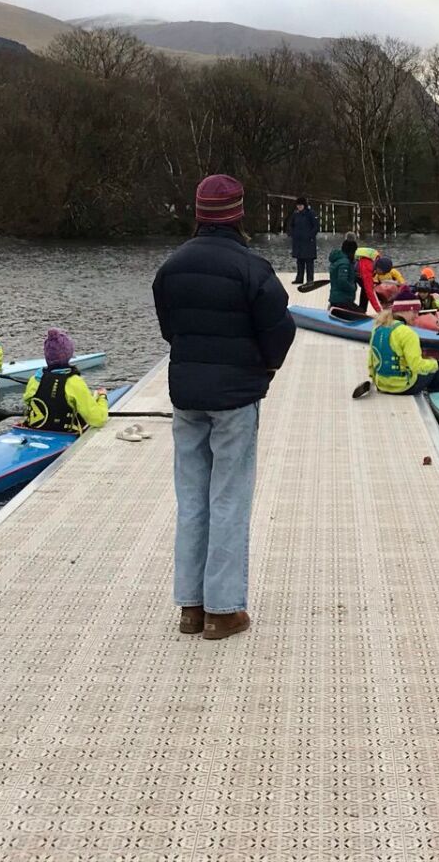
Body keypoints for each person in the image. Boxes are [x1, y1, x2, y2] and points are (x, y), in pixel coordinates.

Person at [152, 173, 295, 642]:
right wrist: (265, 369)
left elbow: (170, 330)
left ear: (198, 213)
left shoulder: (171, 267)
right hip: (235, 398)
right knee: (228, 499)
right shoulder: (253, 268)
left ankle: (190, 608)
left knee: (192, 499)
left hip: (187, 395)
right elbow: (280, 329)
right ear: (237, 215)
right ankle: (223, 611)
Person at [21, 328, 109, 433]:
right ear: (69, 354)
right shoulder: (74, 382)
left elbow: (27, 401)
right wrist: (102, 398)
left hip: (35, 431)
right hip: (64, 436)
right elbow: (98, 420)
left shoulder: (34, 379)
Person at [361, 302, 439, 397]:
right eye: (414, 312)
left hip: (381, 385)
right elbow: (416, 366)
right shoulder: (408, 333)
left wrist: (374, 379)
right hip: (403, 387)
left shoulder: (377, 328)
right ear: (405, 310)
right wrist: (435, 363)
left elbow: (372, 359)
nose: (417, 316)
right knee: (435, 370)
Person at [288, 196, 320, 286]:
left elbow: (316, 226)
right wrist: (292, 233)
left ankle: (310, 280)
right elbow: (291, 225)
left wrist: (310, 236)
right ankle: (299, 278)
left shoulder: (311, 213)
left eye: (301, 205)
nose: (299, 207)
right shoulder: (295, 214)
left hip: (308, 241)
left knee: (309, 261)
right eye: (298, 205)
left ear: (304, 205)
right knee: (299, 260)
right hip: (298, 241)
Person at [327, 235, 362, 315]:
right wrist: (352, 288)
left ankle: (333, 307)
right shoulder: (344, 263)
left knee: (360, 311)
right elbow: (342, 281)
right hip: (342, 301)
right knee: (362, 315)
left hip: (341, 299)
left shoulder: (341, 261)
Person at [354, 244, 381, 312]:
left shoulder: (377, 258)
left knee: (365, 287)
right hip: (351, 270)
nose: (380, 274)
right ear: (379, 268)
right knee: (366, 288)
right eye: (381, 273)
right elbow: (370, 292)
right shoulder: (368, 267)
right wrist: (379, 311)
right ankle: (360, 310)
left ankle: (362, 309)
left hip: (358, 267)